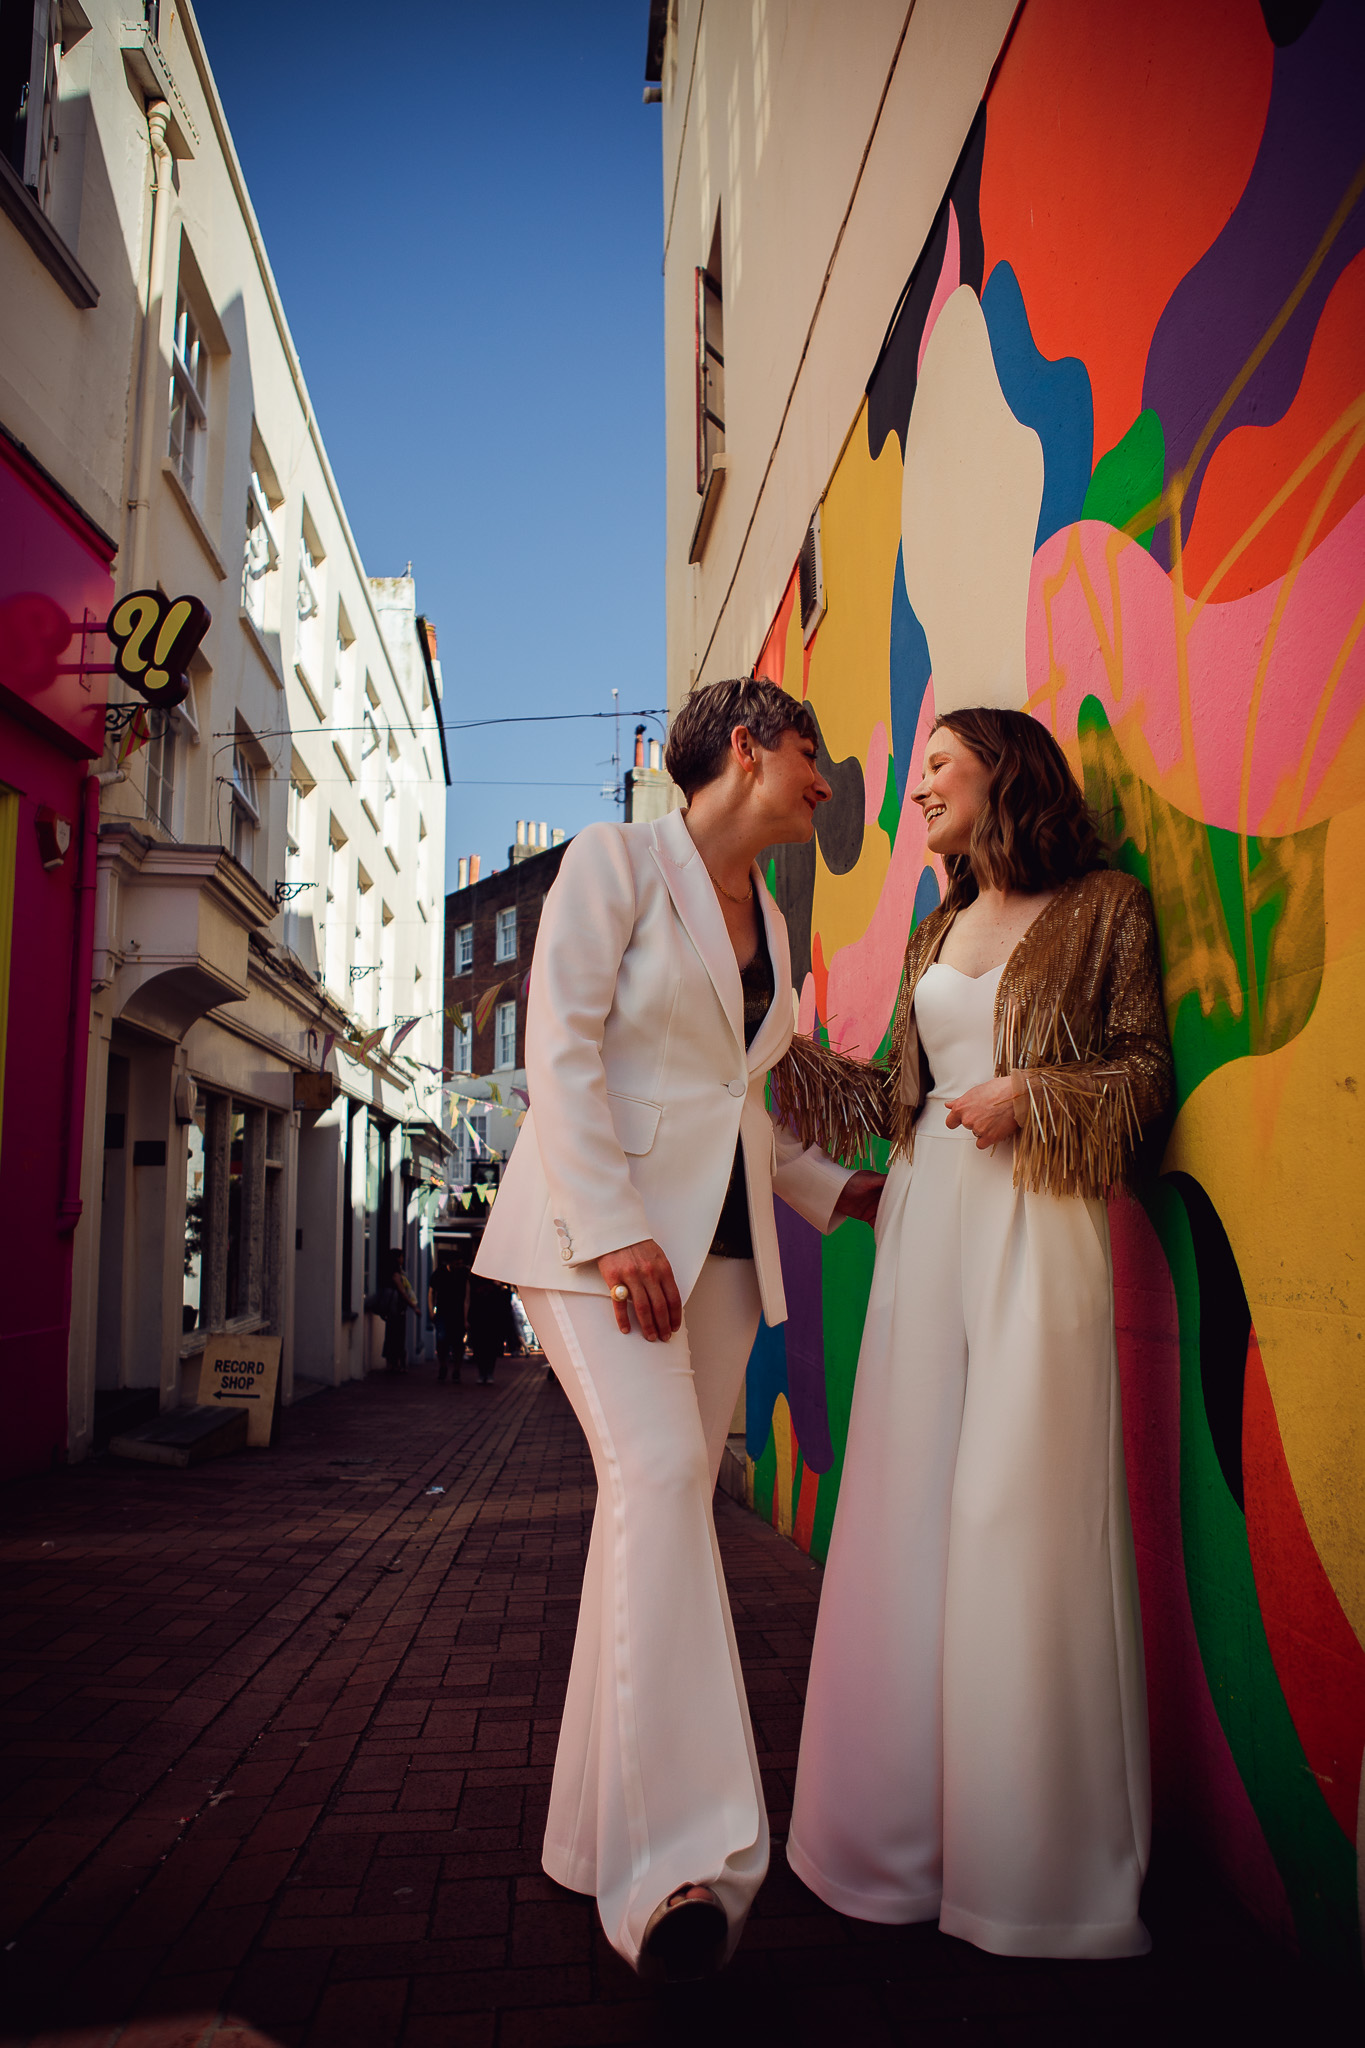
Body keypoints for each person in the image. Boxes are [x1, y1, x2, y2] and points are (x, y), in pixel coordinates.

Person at [474, 676, 881, 1984]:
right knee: (655, 1482)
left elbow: (733, 1108)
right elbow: (563, 1047)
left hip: (712, 1257)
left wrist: (831, 1190)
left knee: (646, 1510)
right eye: (811, 753)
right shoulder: (618, 861)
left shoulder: (766, 918)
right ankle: (684, 1867)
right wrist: (611, 1227)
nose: (826, 780)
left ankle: (593, 1838)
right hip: (597, 1241)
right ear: (750, 750)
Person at [788, 707, 1172, 1961]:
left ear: (1004, 771)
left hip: (1039, 1225)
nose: (918, 789)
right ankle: (896, 1844)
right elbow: (891, 1089)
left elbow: (1143, 1076)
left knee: (1018, 1507)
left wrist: (1033, 1094)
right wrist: (765, 1058)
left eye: (938, 766)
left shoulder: (1106, 905)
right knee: (906, 1513)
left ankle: (1029, 1867)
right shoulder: (935, 928)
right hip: (923, 1229)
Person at [466, 1271, 520, 1385]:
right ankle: (482, 1373)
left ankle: (489, 1372)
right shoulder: (474, 1282)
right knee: (480, 1348)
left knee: (491, 1348)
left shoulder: (497, 1286)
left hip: (493, 1320)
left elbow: (505, 1300)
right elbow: (468, 1300)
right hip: (479, 1319)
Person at [374, 1250, 418, 1376]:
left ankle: (392, 1364)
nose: (403, 1259)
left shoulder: (388, 1273)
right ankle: (396, 1364)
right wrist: (413, 1306)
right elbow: (403, 1292)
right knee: (397, 1336)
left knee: (391, 1336)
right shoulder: (396, 1274)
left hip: (392, 1310)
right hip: (397, 1310)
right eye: (401, 1256)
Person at [429, 1251, 468, 1382]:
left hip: (458, 1314)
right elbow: (431, 1291)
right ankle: (443, 1366)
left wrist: (466, 1316)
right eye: (457, 1263)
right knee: (441, 1340)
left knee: (458, 1343)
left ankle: (457, 1369)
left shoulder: (463, 1274)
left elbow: (467, 1296)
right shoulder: (440, 1273)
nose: (459, 1266)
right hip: (443, 1312)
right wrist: (431, 1310)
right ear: (451, 1262)